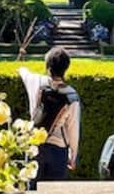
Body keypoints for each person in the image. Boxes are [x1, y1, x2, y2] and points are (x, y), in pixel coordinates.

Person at [19, 47, 80, 182]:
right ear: (66, 68)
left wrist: (21, 55)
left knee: (32, 193)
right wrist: (73, 155)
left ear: (47, 65)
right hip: (58, 151)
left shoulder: (35, 81)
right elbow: (73, 129)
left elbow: (22, 71)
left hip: (35, 146)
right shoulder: (71, 94)